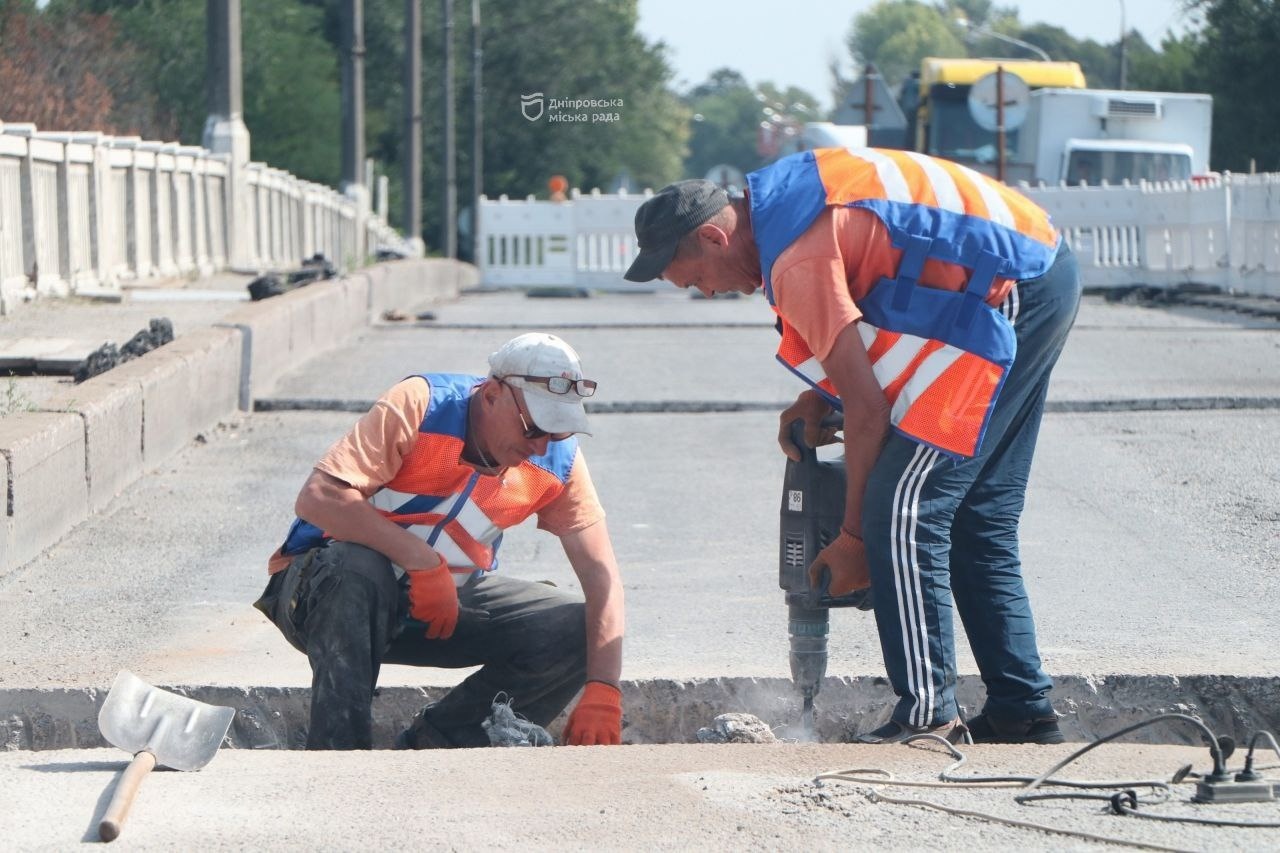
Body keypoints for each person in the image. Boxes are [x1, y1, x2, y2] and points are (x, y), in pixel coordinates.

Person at [624, 148, 1080, 744]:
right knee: (976, 515)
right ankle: (1022, 711)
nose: (705, 293)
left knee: (902, 509)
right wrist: (821, 398)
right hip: (1035, 268)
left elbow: (869, 414)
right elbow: (879, 289)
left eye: (694, 280)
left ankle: (927, 714)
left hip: (1007, 290)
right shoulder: (783, 209)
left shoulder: (793, 259)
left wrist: (854, 538)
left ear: (713, 237)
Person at [253, 332, 626, 749]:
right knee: (356, 567)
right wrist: (422, 562)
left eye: (556, 433)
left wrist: (604, 687)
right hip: (323, 597)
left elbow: (601, 576)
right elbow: (318, 498)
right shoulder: (422, 405)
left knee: (575, 626)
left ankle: (440, 746)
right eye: (534, 427)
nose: (540, 446)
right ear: (491, 395)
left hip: (440, 608)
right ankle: (340, 755)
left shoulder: (559, 461)